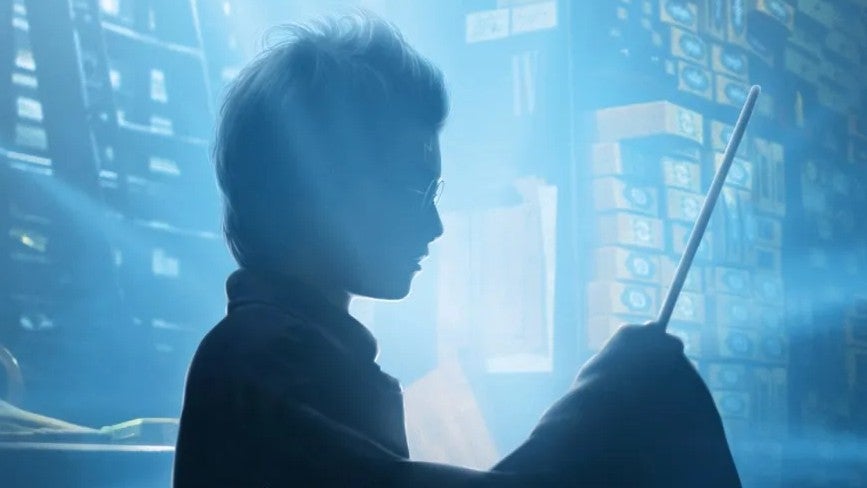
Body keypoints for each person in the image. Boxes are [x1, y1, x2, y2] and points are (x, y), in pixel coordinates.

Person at [173, 12, 740, 487]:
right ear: (319, 187)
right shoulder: (260, 360)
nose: (436, 226)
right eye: (413, 193)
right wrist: (613, 391)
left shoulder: (291, 350)